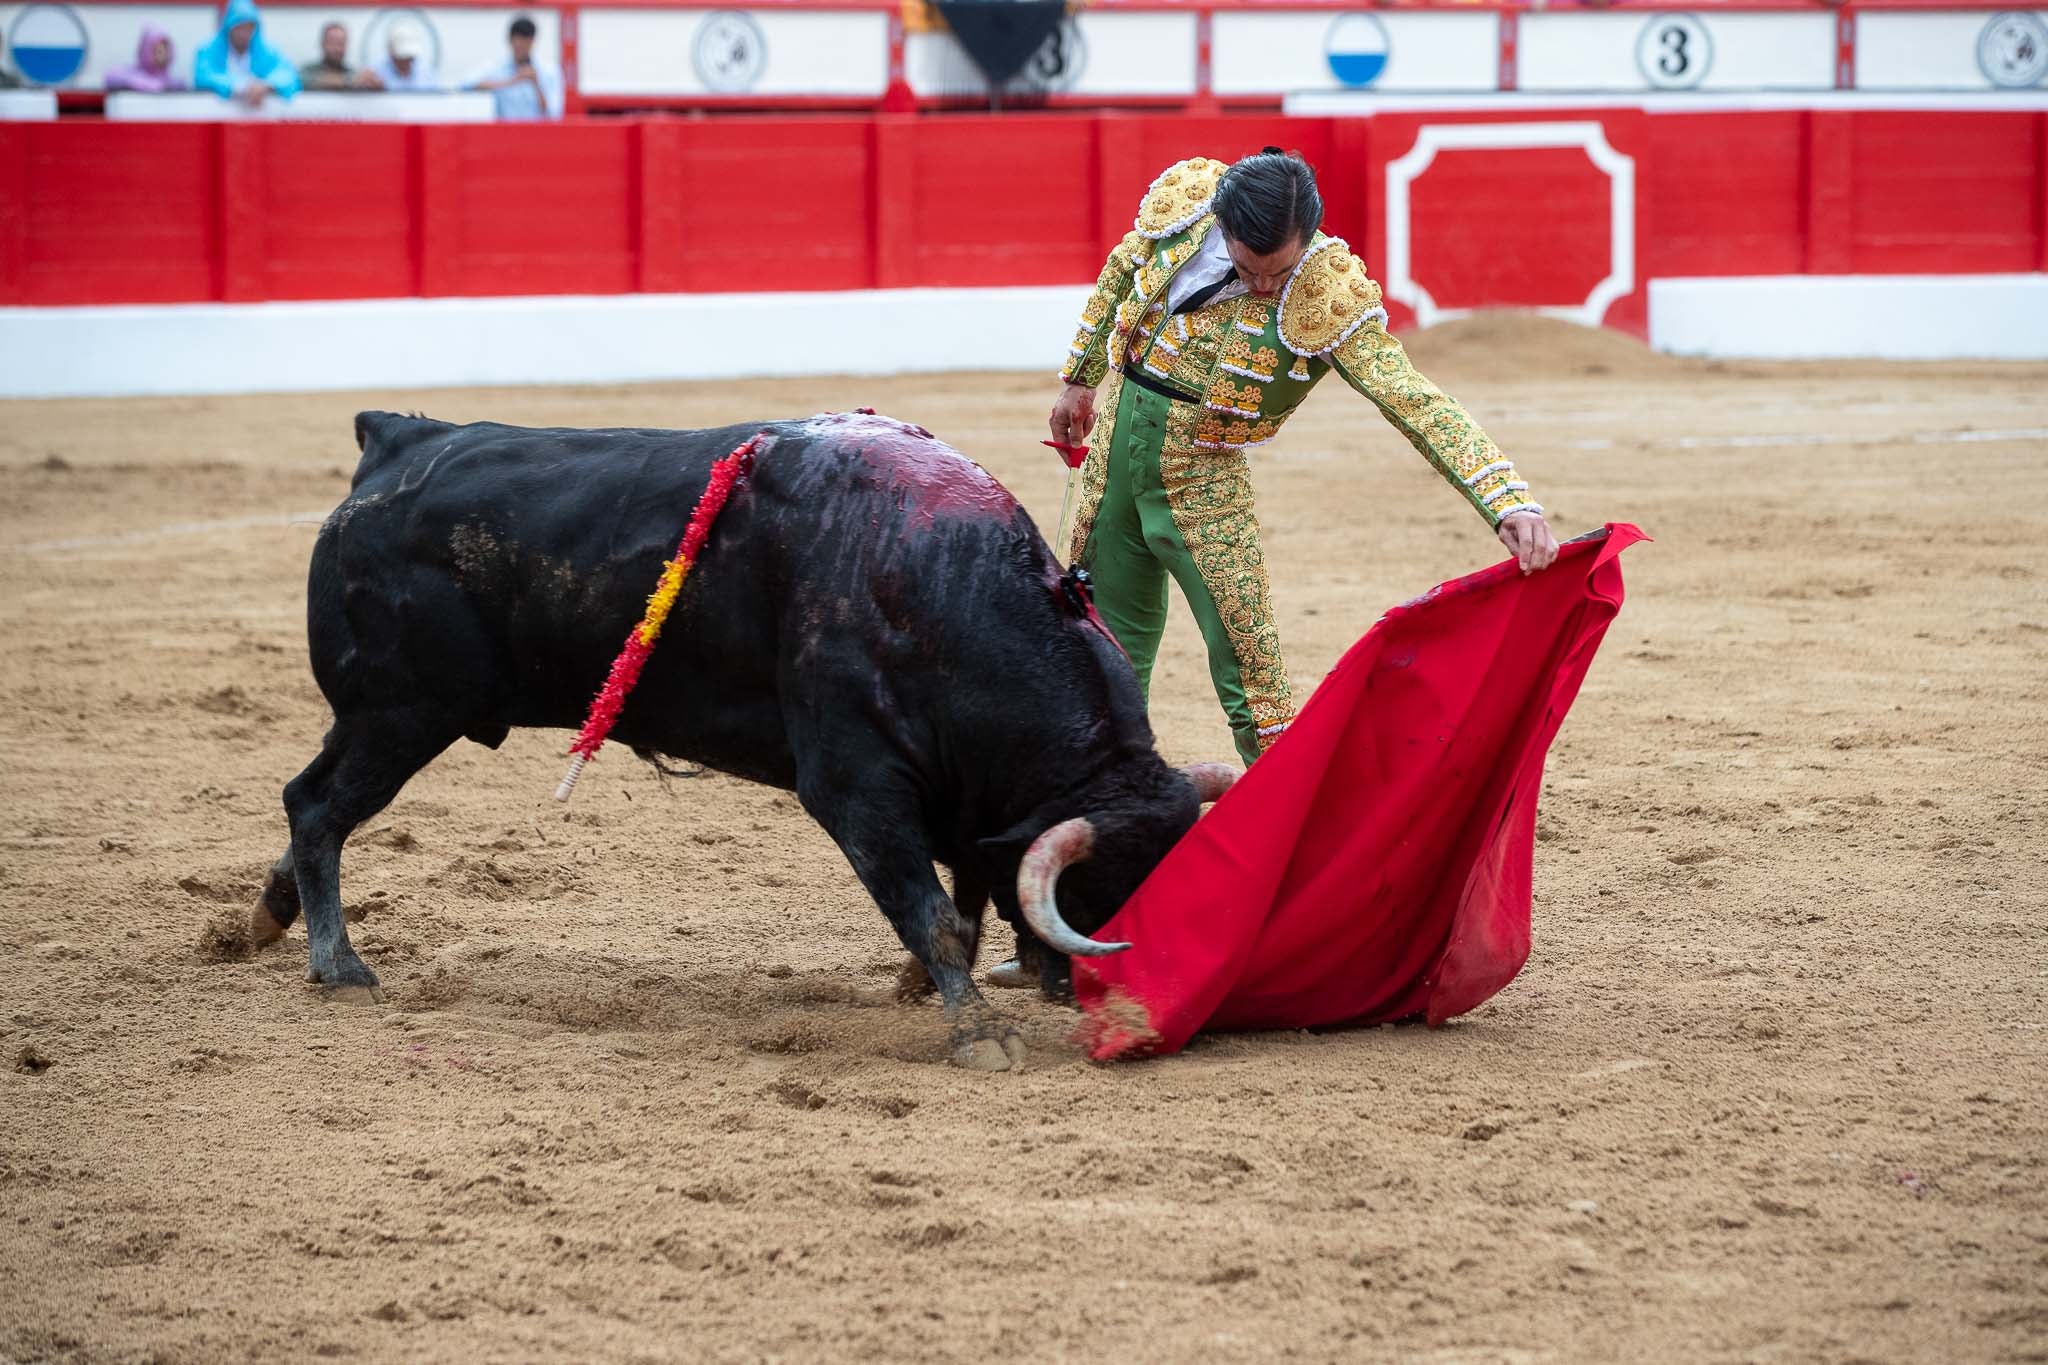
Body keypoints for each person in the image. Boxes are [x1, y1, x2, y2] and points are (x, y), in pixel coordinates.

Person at [1050, 149, 1558, 770]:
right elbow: (1122, 271)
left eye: (1279, 272)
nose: (1264, 286)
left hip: (1201, 481)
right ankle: (1101, 810)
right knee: (1100, 654)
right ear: (1222, 225)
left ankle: (1285, 835)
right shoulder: (1186, 208)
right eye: (1247, 267)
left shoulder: (1329, 291)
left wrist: (1505, 499)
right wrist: (1080, 378)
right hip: (1110, 468)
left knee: (1254, 679)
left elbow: (1411, 398)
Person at [193, 0, 300, 105]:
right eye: (239, 27)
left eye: (249, 27)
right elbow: (203, 76)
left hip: (258, 117)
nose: (244, 33)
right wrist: (240, 86)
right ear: (228, 26)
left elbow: (288, 75)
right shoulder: (208, 50)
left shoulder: (267, 51)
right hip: (218, 117)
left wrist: (267, 85)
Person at [465, 16, 562, 120]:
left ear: (532, 41)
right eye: (517, 41)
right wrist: (512, 81)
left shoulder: (549, 71)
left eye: (525, 42)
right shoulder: (497, 68)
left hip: (537, 133)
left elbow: (553, 114)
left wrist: (536, 85)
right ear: (510, 40)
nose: (520, 45)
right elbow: (466, 84)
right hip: (504, 133)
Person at [105, 24, 188, 92]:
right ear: (146, 51)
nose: (163, 55)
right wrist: (143, 84)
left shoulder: (170, 82)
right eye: (158, 51)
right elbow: (110, 77)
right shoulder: (132, 74)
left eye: (165, 50)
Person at [365, 21, 440, 92]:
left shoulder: (426, 73)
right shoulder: (374, 73)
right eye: (402, 57)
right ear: (391, 52)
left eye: (410, 57)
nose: (406, 61)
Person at [298, 21, 367, 92]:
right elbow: (303, 80)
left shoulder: (351, 73)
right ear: (322, 44)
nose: (337, 49)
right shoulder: (307, 71)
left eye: (341, 43)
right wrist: (348, 81)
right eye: (332, 43)